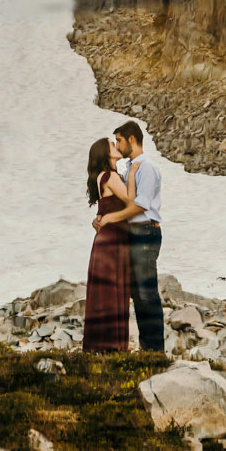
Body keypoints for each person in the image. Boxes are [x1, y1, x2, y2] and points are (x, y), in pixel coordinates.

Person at [93, 120, 164, 351]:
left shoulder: (147, 167)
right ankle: (147, 350)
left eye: (120, 140)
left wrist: (109, 219)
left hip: (145, 231)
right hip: (132, 234)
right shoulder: (128, 170)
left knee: (146, 293)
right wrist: (102, 216)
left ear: (132, 139)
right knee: (137, 294)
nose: (118, 145)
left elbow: (139, 206)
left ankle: (155, 351)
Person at [81, 136, 134, 352]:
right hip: (113, 241)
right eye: (112, 145)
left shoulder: (104, 177)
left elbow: (105, 211)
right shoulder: (111, 176)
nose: (116, 146)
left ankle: (102, 347)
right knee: (113, 292)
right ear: (105, 153)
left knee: (106, 293)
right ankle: (113, 347)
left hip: (107, 240)